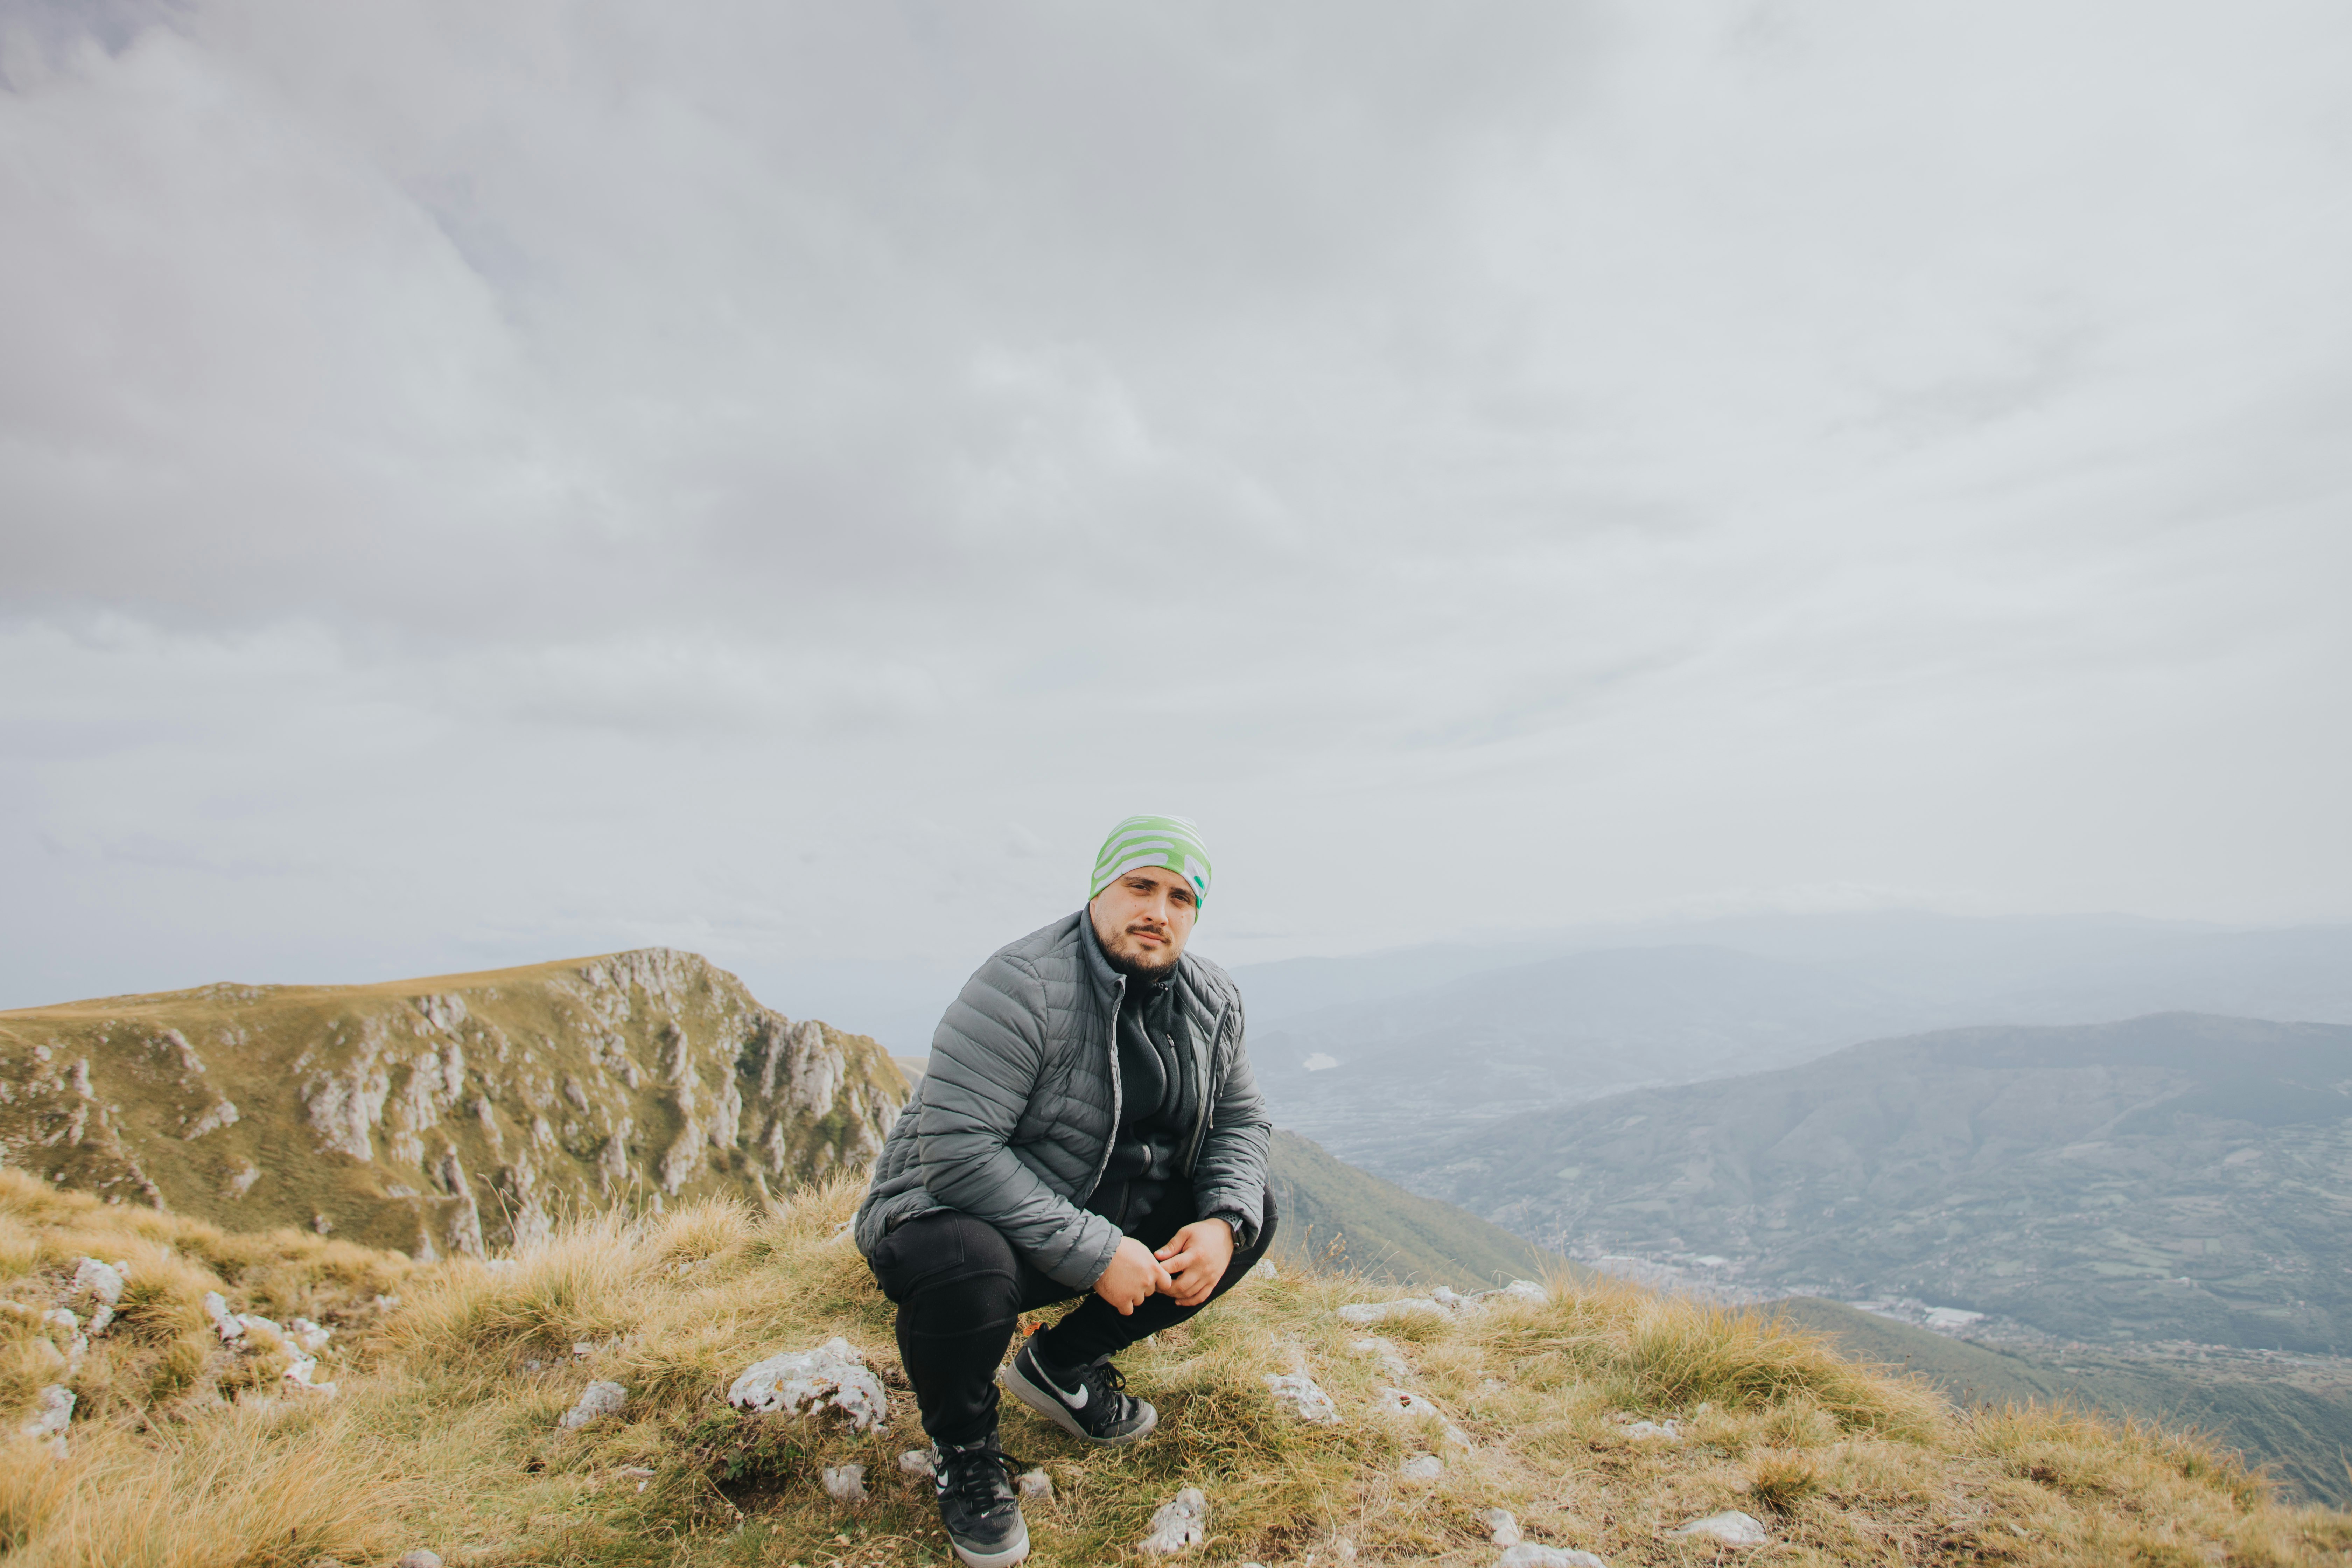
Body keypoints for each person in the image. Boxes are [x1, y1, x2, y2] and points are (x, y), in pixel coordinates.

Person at [854, 814, 1275, 1568]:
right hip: (956, 1217)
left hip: (1095, 1214)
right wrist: (1097, 1250)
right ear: (1099, 890)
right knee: (964, 1264)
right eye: (1140, 885)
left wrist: (1221, 1219)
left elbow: (1240, 1122)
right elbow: (955, 1153)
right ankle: (966, 1449)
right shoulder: (1021, 984)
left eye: (1182, 897)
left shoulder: (1213, 998)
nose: (1159, 909)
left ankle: (1059, 1365)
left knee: (1252, 1211)